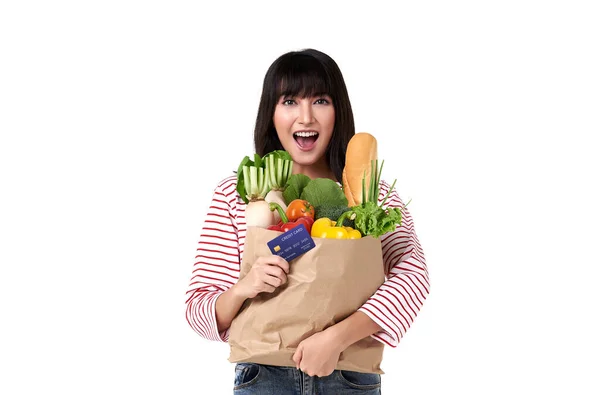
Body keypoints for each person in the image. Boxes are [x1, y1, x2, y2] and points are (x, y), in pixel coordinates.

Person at [185, 48, 430, 394]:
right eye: (289, 101)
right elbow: (199, 308)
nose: (305, 118)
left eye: (320, 101)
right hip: (263, 378)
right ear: (270, 114)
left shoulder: (371, 192)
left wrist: (336, 338)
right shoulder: (236, 194)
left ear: (338, 111)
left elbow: (413, 277)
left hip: (348, 376)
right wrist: (245, 286)